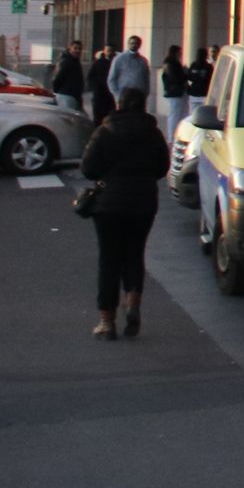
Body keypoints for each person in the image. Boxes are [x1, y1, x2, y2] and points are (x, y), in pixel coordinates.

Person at [80, 88, 170, 339]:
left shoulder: (105, 131)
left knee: (109, 259)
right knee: (134, 253)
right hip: (143, 202)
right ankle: (132, 303)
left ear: (118, 104)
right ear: (143, 104)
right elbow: (162, 167)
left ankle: (107, 322)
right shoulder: (153, 133)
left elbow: (88, 168)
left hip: (109, 204)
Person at [107, 36, 150, 109]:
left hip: (139, 97)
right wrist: (117, 95)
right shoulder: (119, 59)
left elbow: (146, 79)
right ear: (128, 44)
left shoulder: (143, 61)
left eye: (136, 43)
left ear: (140, 45)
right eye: (132, 43)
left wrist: (145, 95)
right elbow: (111, 79)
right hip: (124, 98)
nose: (134, 45)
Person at [158, 44, 190, 138]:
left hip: (174, 92)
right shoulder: (172, 63)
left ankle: (174, 135)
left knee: (178, 114)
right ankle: (171, 136)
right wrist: (184, 73)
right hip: (175, 92)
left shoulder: (171, 63)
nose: (180, 54)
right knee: (175, 115)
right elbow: (175, 78)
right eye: (179, 52)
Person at [52, 39, 86, 116]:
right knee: (68, 120)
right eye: (75, 48)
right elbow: (57, 78)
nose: (78, 51)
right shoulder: (66, 61)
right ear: (70, 48)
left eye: (80, 49)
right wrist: (58, 92)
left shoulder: (75, 61)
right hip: (66, 96)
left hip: (73, 96)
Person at [87, 44, 115, 125]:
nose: (109, 53)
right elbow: (90, 77)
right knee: (99, 118)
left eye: (111, 51)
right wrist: (95, 87)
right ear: (104, 51)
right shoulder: (98, 62)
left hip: (109, 95)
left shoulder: (115, 63)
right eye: (107, 51)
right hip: (100, 94)